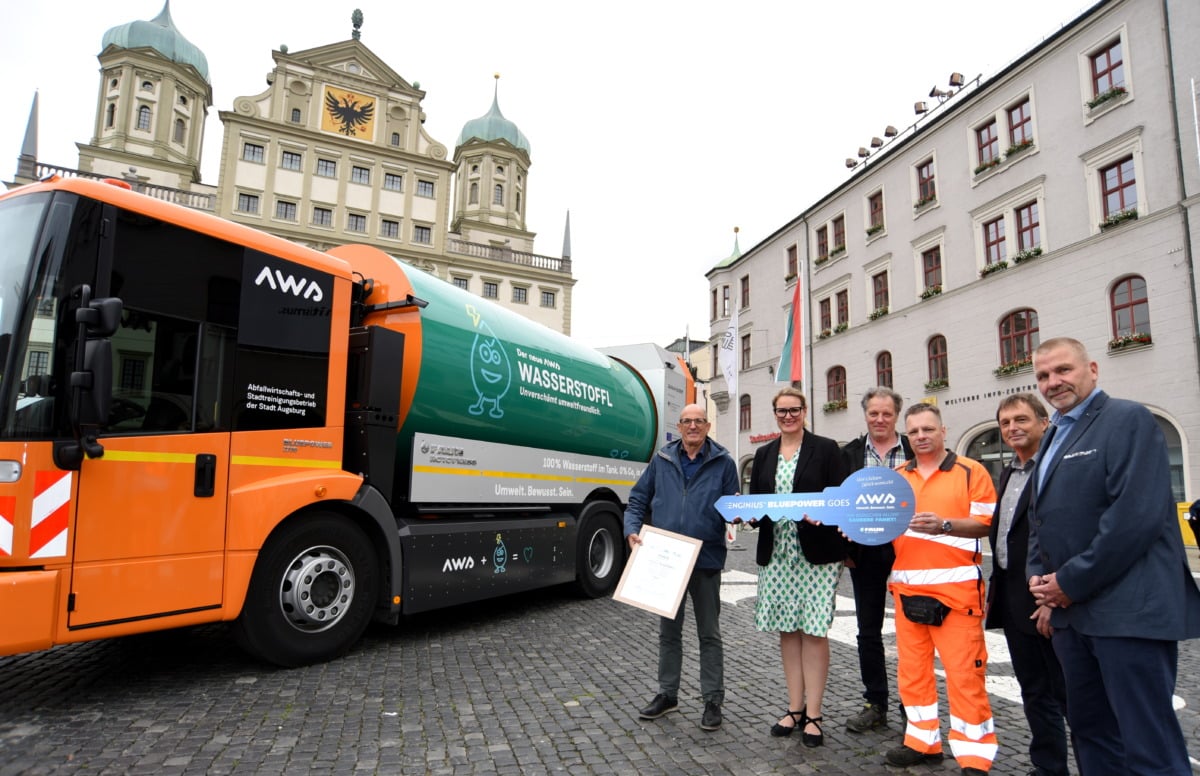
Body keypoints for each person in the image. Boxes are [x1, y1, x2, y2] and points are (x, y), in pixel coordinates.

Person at [1027, 337, 1200, 775]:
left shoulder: (1127, 419)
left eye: (1063, 370)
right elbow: (1041, 517)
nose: (1053, 382)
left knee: (1148, 742)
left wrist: (1068, 582)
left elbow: (1133, 519)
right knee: (1091, 733)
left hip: (1128, 613)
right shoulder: (1055, 433)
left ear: (1093, 369)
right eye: (1044, 375)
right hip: (1073, 617)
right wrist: (1040, 581)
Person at [886, 403, 997, 775]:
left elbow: (986, 525)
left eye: (927, 429)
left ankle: (975, 757)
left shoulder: (971, 472)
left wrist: (946, 525)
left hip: (958, 596)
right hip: (906, 594)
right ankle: (922, 742)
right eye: (914, 431)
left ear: (943, 430)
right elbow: (877, 523)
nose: (921, 436)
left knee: (965, 676)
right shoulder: (897, 476)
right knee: (913, 674)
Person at [624, 403, 739, 731]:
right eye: (687, 421)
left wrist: (741, 513)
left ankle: (712, 699)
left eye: (698, 421)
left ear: (707, 426)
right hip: (666, 559)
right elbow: (637, 499)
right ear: (680, 425)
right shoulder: (662, 460)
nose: (692, 426)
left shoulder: (724, 462)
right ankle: (667, 693)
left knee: (709, 633)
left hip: (705, 559)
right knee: (668, 633)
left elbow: (732, 504)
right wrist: (632, 528)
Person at [748, 387, 848, 746]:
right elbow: (759, 502)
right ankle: (794, 708)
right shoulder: (763, 454)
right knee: (788, 630)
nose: (788, 416)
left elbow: (839, 500)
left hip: (816, 554)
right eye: (781, 411)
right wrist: (747, 516)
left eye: (794, 410)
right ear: (774, 414)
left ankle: (815, 714)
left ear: (805, 411)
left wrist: (824, 514)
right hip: (777, 554)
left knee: (815, 630)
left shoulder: (826, 449)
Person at [985, 393, 1069, 776]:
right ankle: (1048, 767)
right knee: (1033, 691)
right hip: (1015, 599)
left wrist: (1054, 597)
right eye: (1005, 423)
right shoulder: (1009, 473)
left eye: (1021, 420)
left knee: (1070, 695)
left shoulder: (1056, 469)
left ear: (1043, 422)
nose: (1012, 428)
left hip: (1049, 599)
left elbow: (1066, 537)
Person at [839, 386, 912, 733]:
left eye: (886, 413)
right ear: (865, 414)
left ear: (896, 415)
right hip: (864, 554)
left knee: (914, 630)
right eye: (873, 413)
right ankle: (876, 703)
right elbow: (840, 504)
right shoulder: (850, 454)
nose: (880, 419)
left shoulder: (916, 449)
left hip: (910, 552)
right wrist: (846, 553)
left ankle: (913, 705)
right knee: (868, 631)